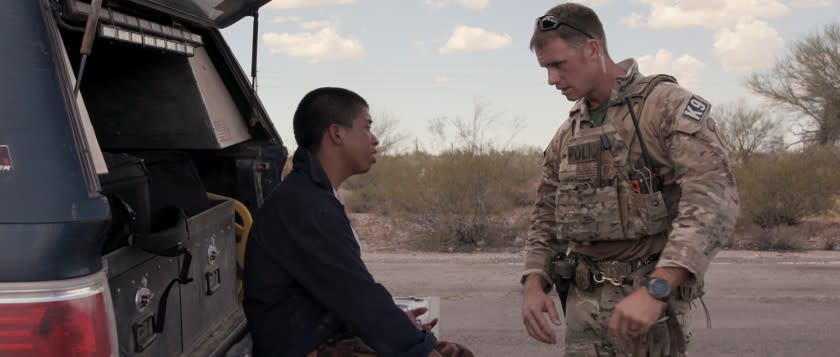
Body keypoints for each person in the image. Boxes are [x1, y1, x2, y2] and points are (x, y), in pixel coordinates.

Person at [520, 3, 739, 357]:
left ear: (593, 49)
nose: (552, 79)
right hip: (583, 310)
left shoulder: (665, 107)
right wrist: (533, 284)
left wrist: (658, 289)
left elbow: (712, 202)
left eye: (559, 64)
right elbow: (545, 215)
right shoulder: (570, 132)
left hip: (648, 312)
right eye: (545, 68)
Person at [243, 87, 473, 357]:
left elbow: (348, 295)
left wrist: (404, 330)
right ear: (337, 133)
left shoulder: (314, 195)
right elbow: (358, 296)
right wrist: (417, 347)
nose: (374, 139)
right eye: (366, 128)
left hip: (318, 336)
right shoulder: (307, 207)